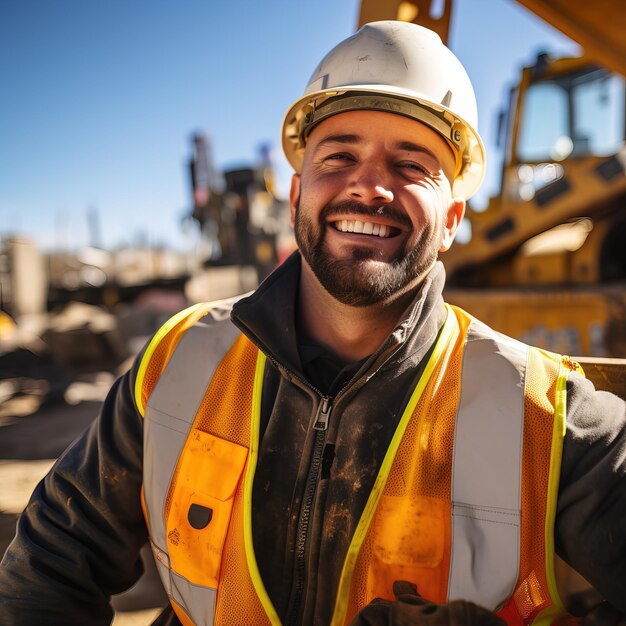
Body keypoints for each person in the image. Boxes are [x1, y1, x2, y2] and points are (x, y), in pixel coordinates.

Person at [1, 20, 625, 626]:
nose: (370, 185)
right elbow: (53, 560)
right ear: (296, 193)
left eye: (412, 164)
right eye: (339, 155)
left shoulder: (545, 416)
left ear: (454, 217)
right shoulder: (177, 361)